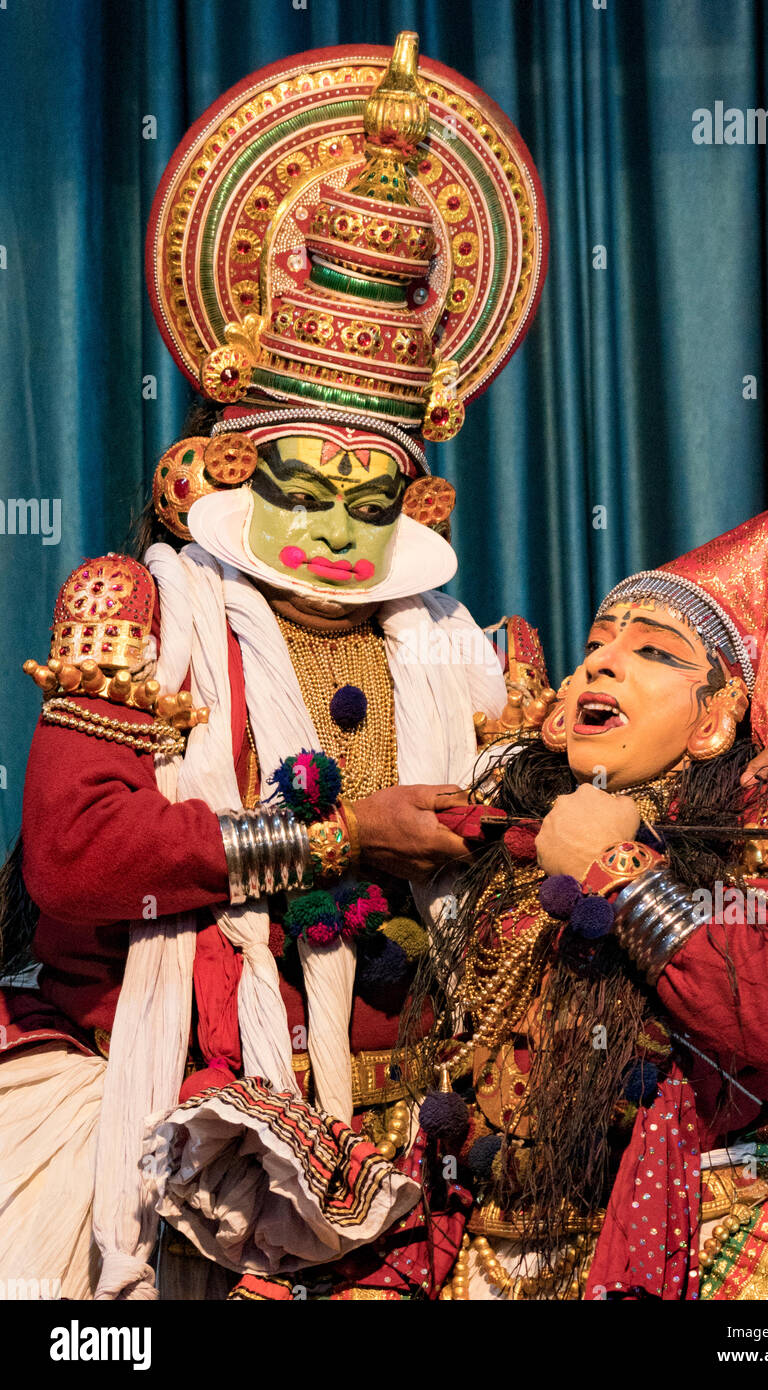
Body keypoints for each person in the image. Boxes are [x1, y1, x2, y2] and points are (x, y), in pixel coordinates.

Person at [0, 32, 550, 1302]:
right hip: (182, 1134)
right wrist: (334, 836)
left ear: (419, 500)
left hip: (421, 1156)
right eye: (305, 488)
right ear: (229, 468)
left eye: (371, 501)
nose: (335, 531)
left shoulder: (477, 655)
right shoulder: (134, 605)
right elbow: (77, 858)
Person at [403, 489, 768, 1301]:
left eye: (655, 653)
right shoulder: (501, 832)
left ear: (714, 722)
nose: (600, 660)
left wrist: (615, 868)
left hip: (719, 1245)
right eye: (595, 645)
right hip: (495, 1244)